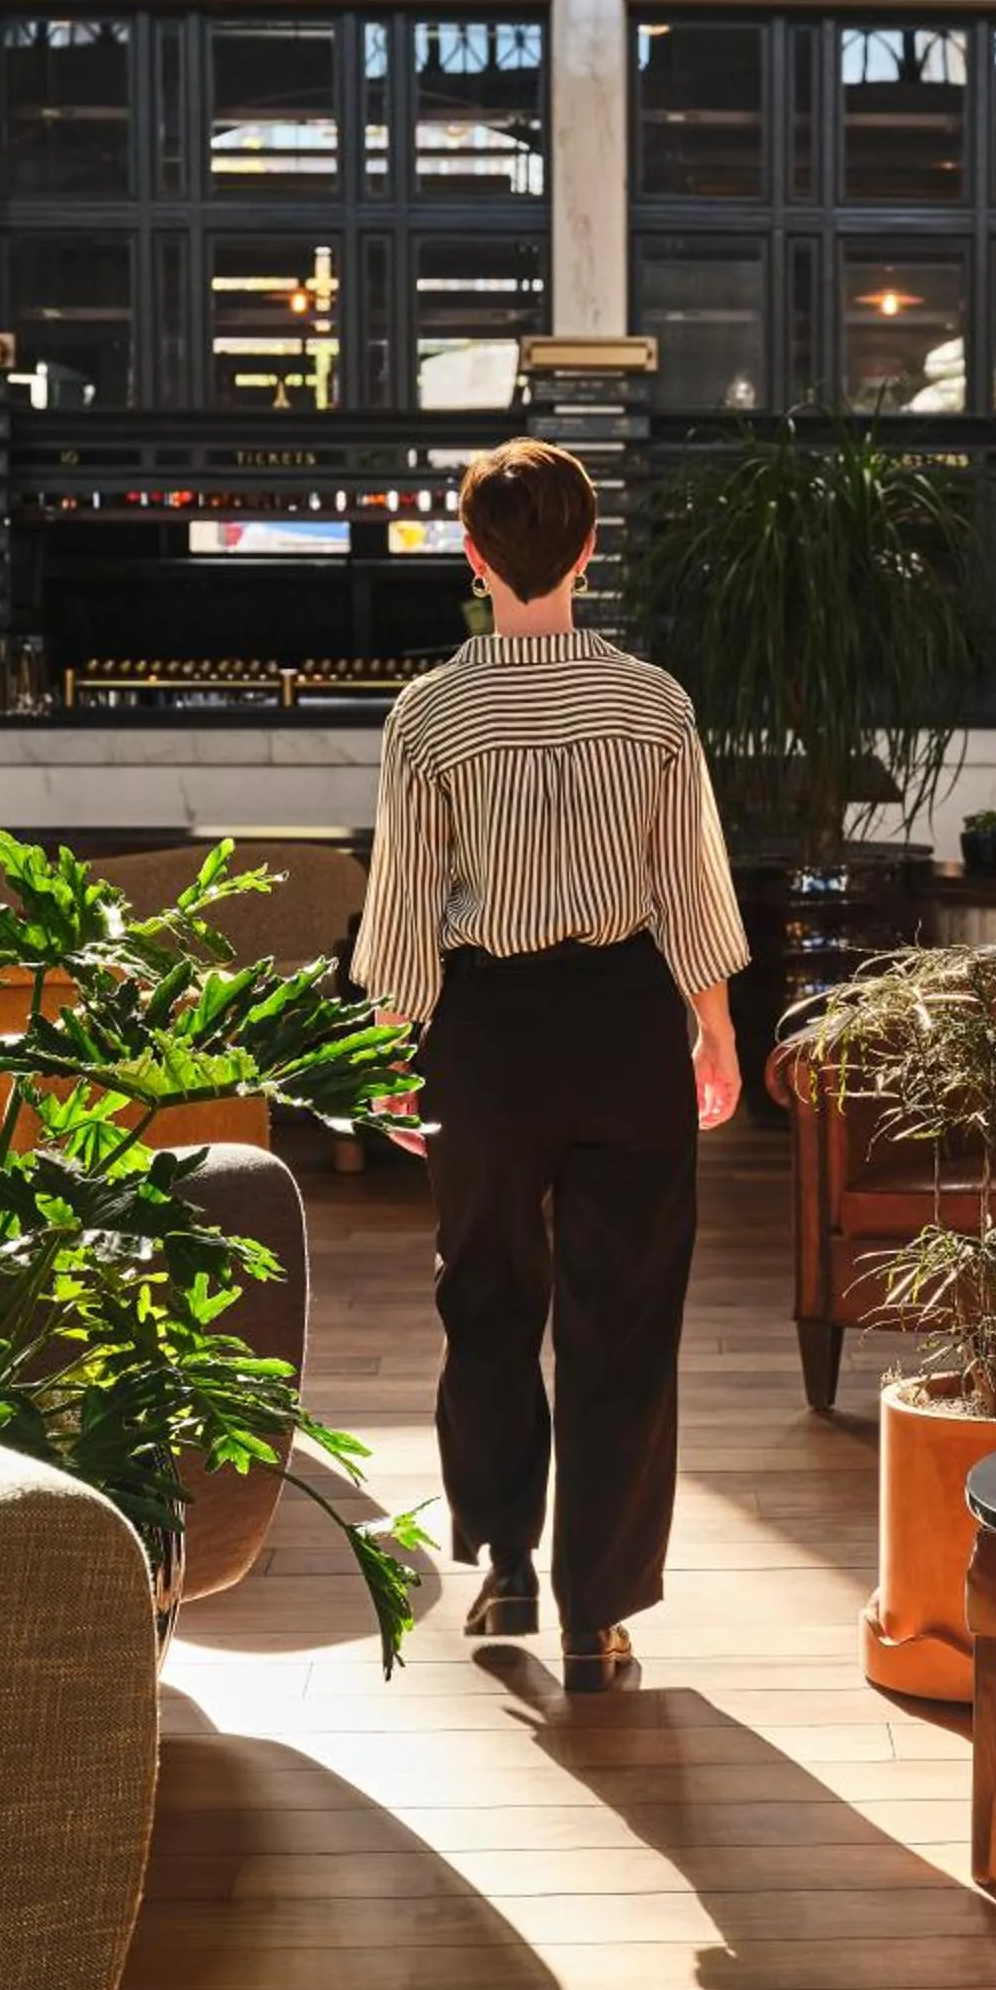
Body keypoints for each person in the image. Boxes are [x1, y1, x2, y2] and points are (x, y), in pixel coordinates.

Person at [352, 437, 748, 1692]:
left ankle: (505, 1563)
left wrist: (387, 1059)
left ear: (473, 558)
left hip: (487, 1034)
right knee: (622, 1319)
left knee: (484, 1298)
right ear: (589, 550)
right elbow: (688, 887)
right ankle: (599, 1615)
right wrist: (716, 1029)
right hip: (627, 1023)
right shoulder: (656, 702)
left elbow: (406, 907)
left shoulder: (431, 714)